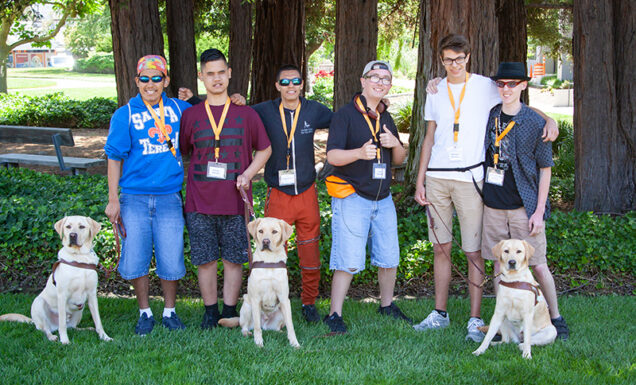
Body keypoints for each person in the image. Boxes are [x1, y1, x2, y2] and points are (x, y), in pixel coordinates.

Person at [412, 34, 558, 342]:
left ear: (468, 58)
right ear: (441, 60)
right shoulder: (435, 91)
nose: (454, 65)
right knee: (441, 247)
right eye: (448, 60)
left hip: (470, 179)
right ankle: (440, 313)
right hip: (437, 177)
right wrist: (420, 179)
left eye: (460, 59)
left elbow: (517, 100)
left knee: (473, 251)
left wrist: (550, 120)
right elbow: (429, 137)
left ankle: (475, 319)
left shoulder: (484, 86)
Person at [179, 48, 271, 329]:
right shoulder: (192, 115)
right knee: (205, 259)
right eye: (210, 74)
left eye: (221, 72)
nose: (216, 78)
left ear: (229, 73)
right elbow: (185, 151)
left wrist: (248, 174)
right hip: (199, 200)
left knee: (234, 259)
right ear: (201, 77)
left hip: (235, 201)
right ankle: (210, 311)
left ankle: (229, 309)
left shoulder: (246, 114)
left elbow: (265, 149)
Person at [481, 62, 569, 340]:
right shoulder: (491, 114)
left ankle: (556, 317)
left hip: (524, 206)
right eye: (501, 84)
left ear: (523, 86)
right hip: (493, 204)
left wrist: (539, 210)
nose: (505, 89)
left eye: (512, 84)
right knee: (498, 264)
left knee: (538, 264)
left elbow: (545, 168)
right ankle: (504, 323)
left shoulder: (535, 122)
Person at [105, 55, 191, 335]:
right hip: (134, 198)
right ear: (136, 81)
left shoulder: (181, 110)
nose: (150, 84)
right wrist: (113, 198)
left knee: (171, 256)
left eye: (157, 78)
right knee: (137, 256)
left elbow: (208, 120)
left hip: (169, 197)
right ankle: (144, 313)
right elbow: (114, 158)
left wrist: (234, 99)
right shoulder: (125, 113)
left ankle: (169, 311)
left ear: (166, 81)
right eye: (145, 78)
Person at [323, 60, 410, 333]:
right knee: (347, 258)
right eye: (375, 77)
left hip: (382, 197)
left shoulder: (386, 117)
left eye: (386, 79)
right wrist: (359, 154)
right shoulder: (345, 115)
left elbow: (398, 159)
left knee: (389, 256)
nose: (380, 82)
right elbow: (332, 156)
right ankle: (334, 314)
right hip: (352, 196)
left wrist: (396, 144)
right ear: (363, 81)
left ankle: (386, 305)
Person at [250, 64, 333, 323]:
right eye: (284, 82)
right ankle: (270, 302)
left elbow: (344, 119)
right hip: (278, 194)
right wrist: (194, 99)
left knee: (310, 251)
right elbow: (235, 114)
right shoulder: (265, 110)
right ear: (277, 86)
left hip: (307, 192)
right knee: (271, 252)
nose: (290, 86)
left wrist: (378, 105)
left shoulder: (313, 110)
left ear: (302, 83)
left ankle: (309, 303)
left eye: (295, 81)